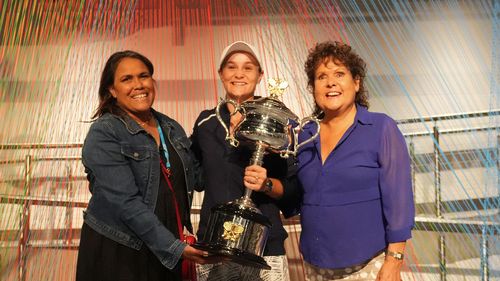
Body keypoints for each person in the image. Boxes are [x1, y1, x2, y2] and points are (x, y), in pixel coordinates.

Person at [76, 50, 213, 281]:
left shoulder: (170, 127)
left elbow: (198, 178)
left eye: (144, 76)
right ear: (112, 90)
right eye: (126, 79)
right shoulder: (105, 132)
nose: (138, 85)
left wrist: (224, 136)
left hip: (166, 248)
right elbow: (125, 203)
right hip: (121, 251)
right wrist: (174, 248)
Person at [296, 41, 415, 281]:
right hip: (315, 266)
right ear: (313, 87)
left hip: (369, 266)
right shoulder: (306, 134)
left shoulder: (381, 128)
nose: (330, 82)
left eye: (339, 74)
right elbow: (298, 196)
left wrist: (393, 263)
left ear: (356, 82)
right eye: (321, 77)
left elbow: (399, 201)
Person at [191, 41, 296, 281]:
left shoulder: (277, 124)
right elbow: (194, 175)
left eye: (248, 68)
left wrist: (266, 184)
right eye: (231, 67)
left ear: (260, 75)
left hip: (265, 247)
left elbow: (293, 189)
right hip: (214, 245)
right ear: (221, 74)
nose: (239, 73)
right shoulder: (205, 123)